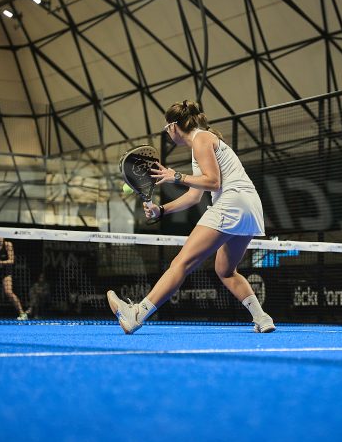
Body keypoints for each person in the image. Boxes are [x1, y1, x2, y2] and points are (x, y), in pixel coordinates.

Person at [105, 99, 275, 334]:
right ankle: (262, 318)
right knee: (225, 270)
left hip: (231, 203)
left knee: (180, 263)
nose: (167, 132)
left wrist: (176, 176)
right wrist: (161, 209)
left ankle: (137, 314)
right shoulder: (203, 143)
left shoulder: (201, 139)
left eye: (167, 128)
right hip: (250, 208)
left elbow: (213, 182)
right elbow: (195, 196)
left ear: (174, 126)